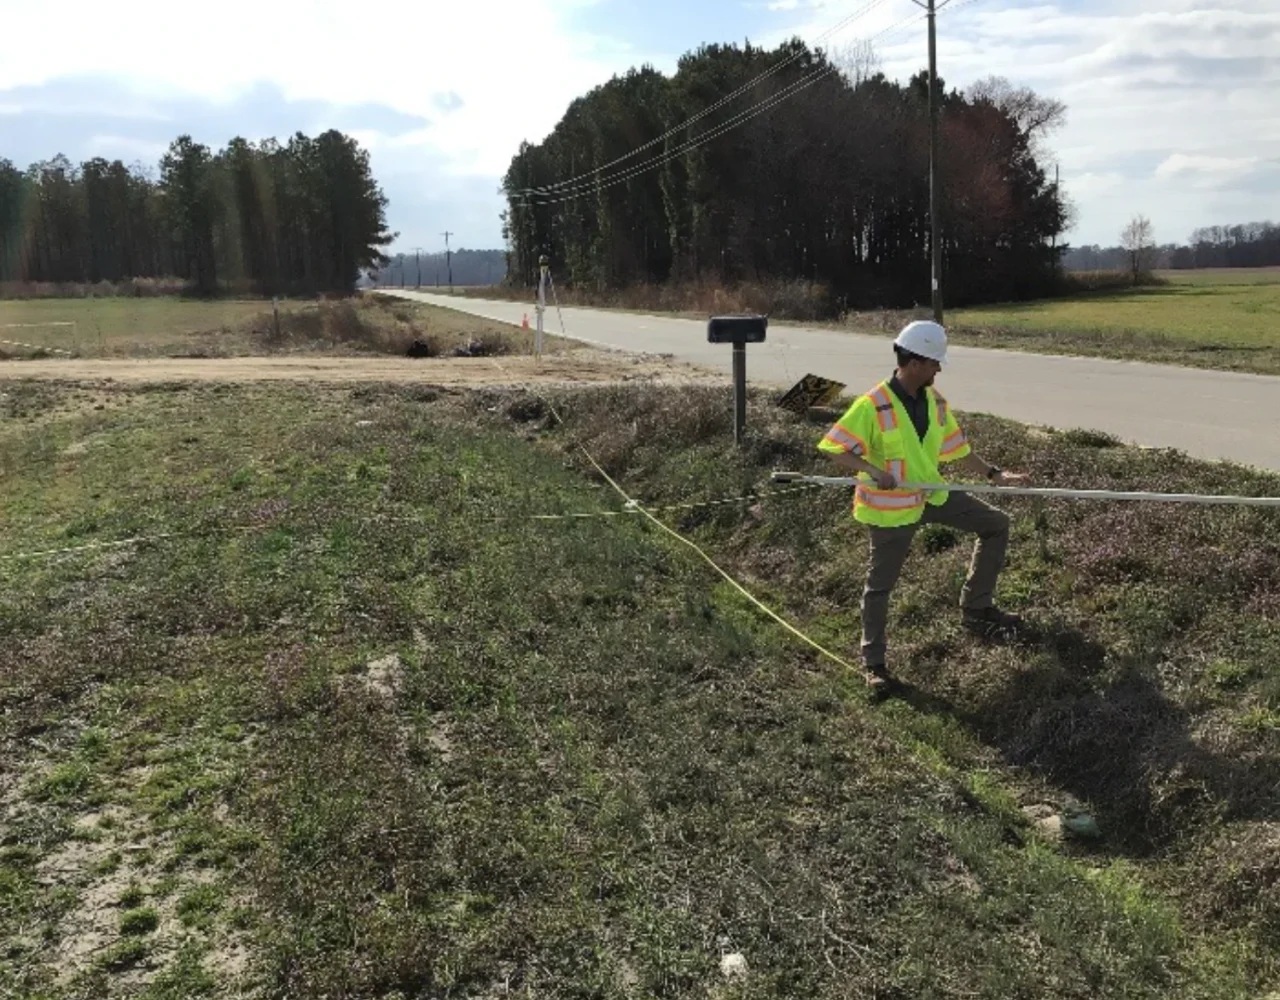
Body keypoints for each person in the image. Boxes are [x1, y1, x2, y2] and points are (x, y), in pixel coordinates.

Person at [817, 320, 1028, 694]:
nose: (939, 369)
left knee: (996, 524)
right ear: (914, 362)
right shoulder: (872, 405)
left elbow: (957, 450)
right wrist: (871, 470)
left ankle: (977, 608)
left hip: (933, 496)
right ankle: (875, 665)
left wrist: (994, 474)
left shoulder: (936, 402)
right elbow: (834, 448)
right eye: (935, 363)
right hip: (891, 510)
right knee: (880, 586)